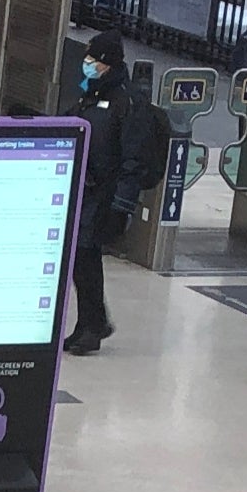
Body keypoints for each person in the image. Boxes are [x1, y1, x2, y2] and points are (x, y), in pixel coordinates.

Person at [62, 30, 163, 356]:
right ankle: (92, 322)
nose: (87, 64)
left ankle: (93, 327)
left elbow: (133, 159)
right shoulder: (90, 94)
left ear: (108, 63)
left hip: (104, 195)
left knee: (85, 258)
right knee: (82, 260)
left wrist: (122, 205)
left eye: (94, 60)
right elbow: (70, 125)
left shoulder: (126, 103)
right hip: (83, 190)